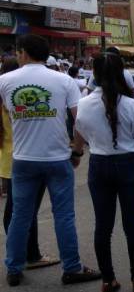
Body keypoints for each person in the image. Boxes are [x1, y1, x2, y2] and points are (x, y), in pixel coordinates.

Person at [0, 35, 101, 287]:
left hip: (22, 159)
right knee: (64, 215)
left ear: (23, 53)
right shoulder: (64, 81)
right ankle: (72, 268)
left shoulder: (4, 80)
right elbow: (80, 120)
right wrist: (77, 151)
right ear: (46, 55)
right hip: (57, 159)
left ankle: (13, 268)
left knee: (20, 216)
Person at [74, 53, 134, 292]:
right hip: (128, 163)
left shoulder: (84, 103)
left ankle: (108, 280)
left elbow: (82, 133)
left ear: (94, 74)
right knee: (132, 227)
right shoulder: (130, 104)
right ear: (122, 73)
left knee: (103, 226)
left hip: (99, 163)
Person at [1, 58, 61, 274]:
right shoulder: (15, 98)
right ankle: (30, 254)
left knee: (15, 211)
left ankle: (20, 253)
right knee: (25, 211)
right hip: (24, 157)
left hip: (7, 160)